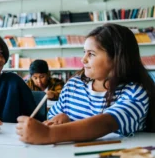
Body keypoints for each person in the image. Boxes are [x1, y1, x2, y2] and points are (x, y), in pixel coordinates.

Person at [16, 23, 155, 144]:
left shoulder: (135, 92)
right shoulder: (73, 85)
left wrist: (48, 134)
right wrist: (60, 118)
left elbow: (106, 123)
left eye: (91, 54)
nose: (83, 60)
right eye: (84, 52)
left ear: (117, 59)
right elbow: (52, 116)